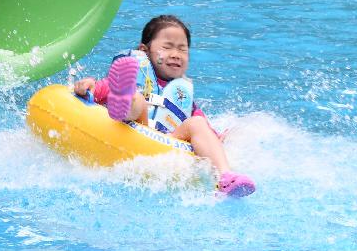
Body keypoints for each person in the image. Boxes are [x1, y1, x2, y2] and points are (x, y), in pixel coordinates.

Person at [73, 14, 256, 198]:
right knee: (136, 98)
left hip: (165, 141)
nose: (176, 54)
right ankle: (123, 104)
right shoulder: (130, 77)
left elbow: (204, 133)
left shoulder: (183, 96)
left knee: (197, 123)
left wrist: (218, 138)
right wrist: (88, 86)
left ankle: (225, 178)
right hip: (134, 127)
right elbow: (93, 91)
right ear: (144, 50)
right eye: (167, 47)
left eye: (182, 49)